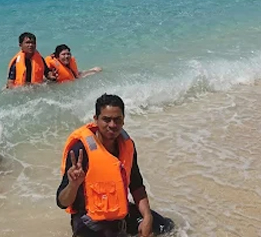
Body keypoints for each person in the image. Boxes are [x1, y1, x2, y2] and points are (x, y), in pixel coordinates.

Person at [57, 94, 175, 237]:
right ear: (96, 120)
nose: (112, 125)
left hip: (120, 215)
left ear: (123, 120)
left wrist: (147, 217)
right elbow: (62, 202)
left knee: (165, 227)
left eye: (117, 120)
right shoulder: (80, 151)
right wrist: (73, 185)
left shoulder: (127, 146)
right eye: (106, 120)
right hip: (89, 222)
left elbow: (136, 185)